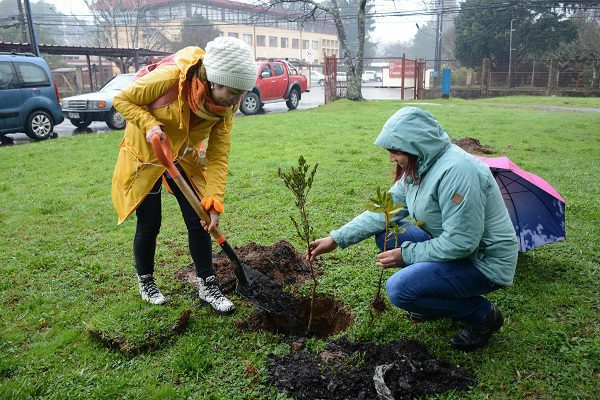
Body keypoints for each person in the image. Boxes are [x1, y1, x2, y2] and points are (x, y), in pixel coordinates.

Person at [308, 107, 518, 351]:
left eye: (394, 151)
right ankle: (431, 296)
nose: (391, 158)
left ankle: (481, 315)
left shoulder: (457, 172)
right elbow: (384, 211)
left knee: (400, 290)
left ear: (414, 145)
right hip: (449, 245)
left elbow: (462, 243)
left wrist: (406, 255)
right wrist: (336, 239)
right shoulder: (419, 168)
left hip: (482, 262)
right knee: (387, 235)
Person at [111, 37, 257, 314]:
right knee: (150, 222)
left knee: (199, 218)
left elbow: (217, 156)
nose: (238, 101)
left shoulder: (225, 109)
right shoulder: (170, 78)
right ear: (215, 81)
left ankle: (207, 284)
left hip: (184, 156)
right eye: (234, 92)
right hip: (149, 154)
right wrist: (150, 124)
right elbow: (122, 98)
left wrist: (214, 200)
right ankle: (147, 282)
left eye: (242, 93)